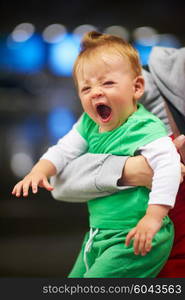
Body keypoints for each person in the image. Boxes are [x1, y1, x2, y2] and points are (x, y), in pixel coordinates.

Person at [12, 31, 181, 278]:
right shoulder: (89, 124)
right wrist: (40, 170)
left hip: (136, 235)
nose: (95, 92)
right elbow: (63, 150)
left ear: (137, 87)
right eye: (86, 88)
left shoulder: (146, 128)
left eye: (107, 83)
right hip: (98, 233)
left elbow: (169, 167)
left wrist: (153, 218)